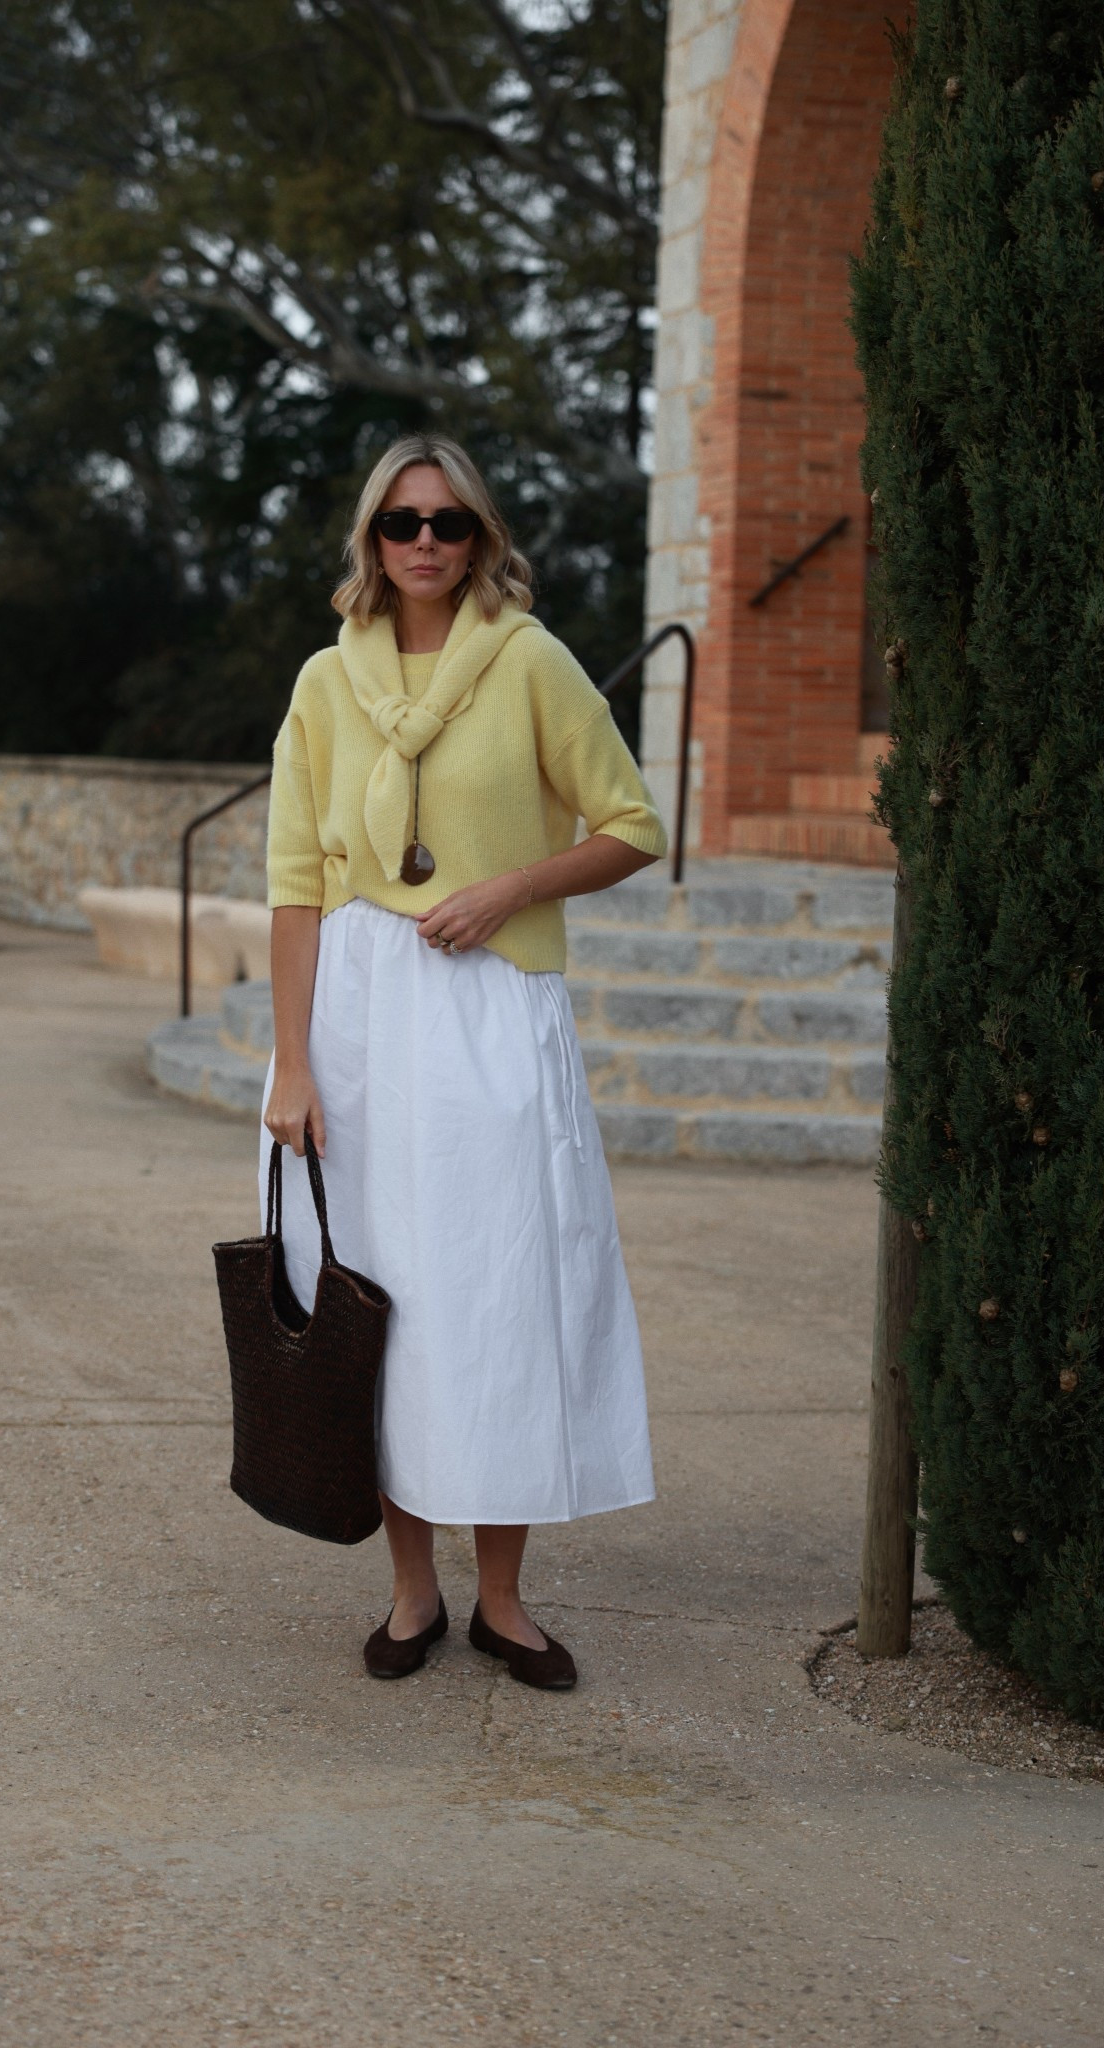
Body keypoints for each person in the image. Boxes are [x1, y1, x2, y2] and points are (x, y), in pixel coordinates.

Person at [261, 432, 667, 1690]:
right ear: (370, 543)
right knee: (377, 1300)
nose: (425, 542)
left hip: (491, 1011)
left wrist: (509, 890)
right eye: (400, 523)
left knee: (497, 1301)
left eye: (447, 522)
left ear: (481, 537)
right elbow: (289, 883)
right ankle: (408, 1593)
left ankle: (503, 1599)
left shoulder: (533, 662)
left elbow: (631, 825)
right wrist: (291, 1066)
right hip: (358, 1016)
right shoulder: (327, 682)